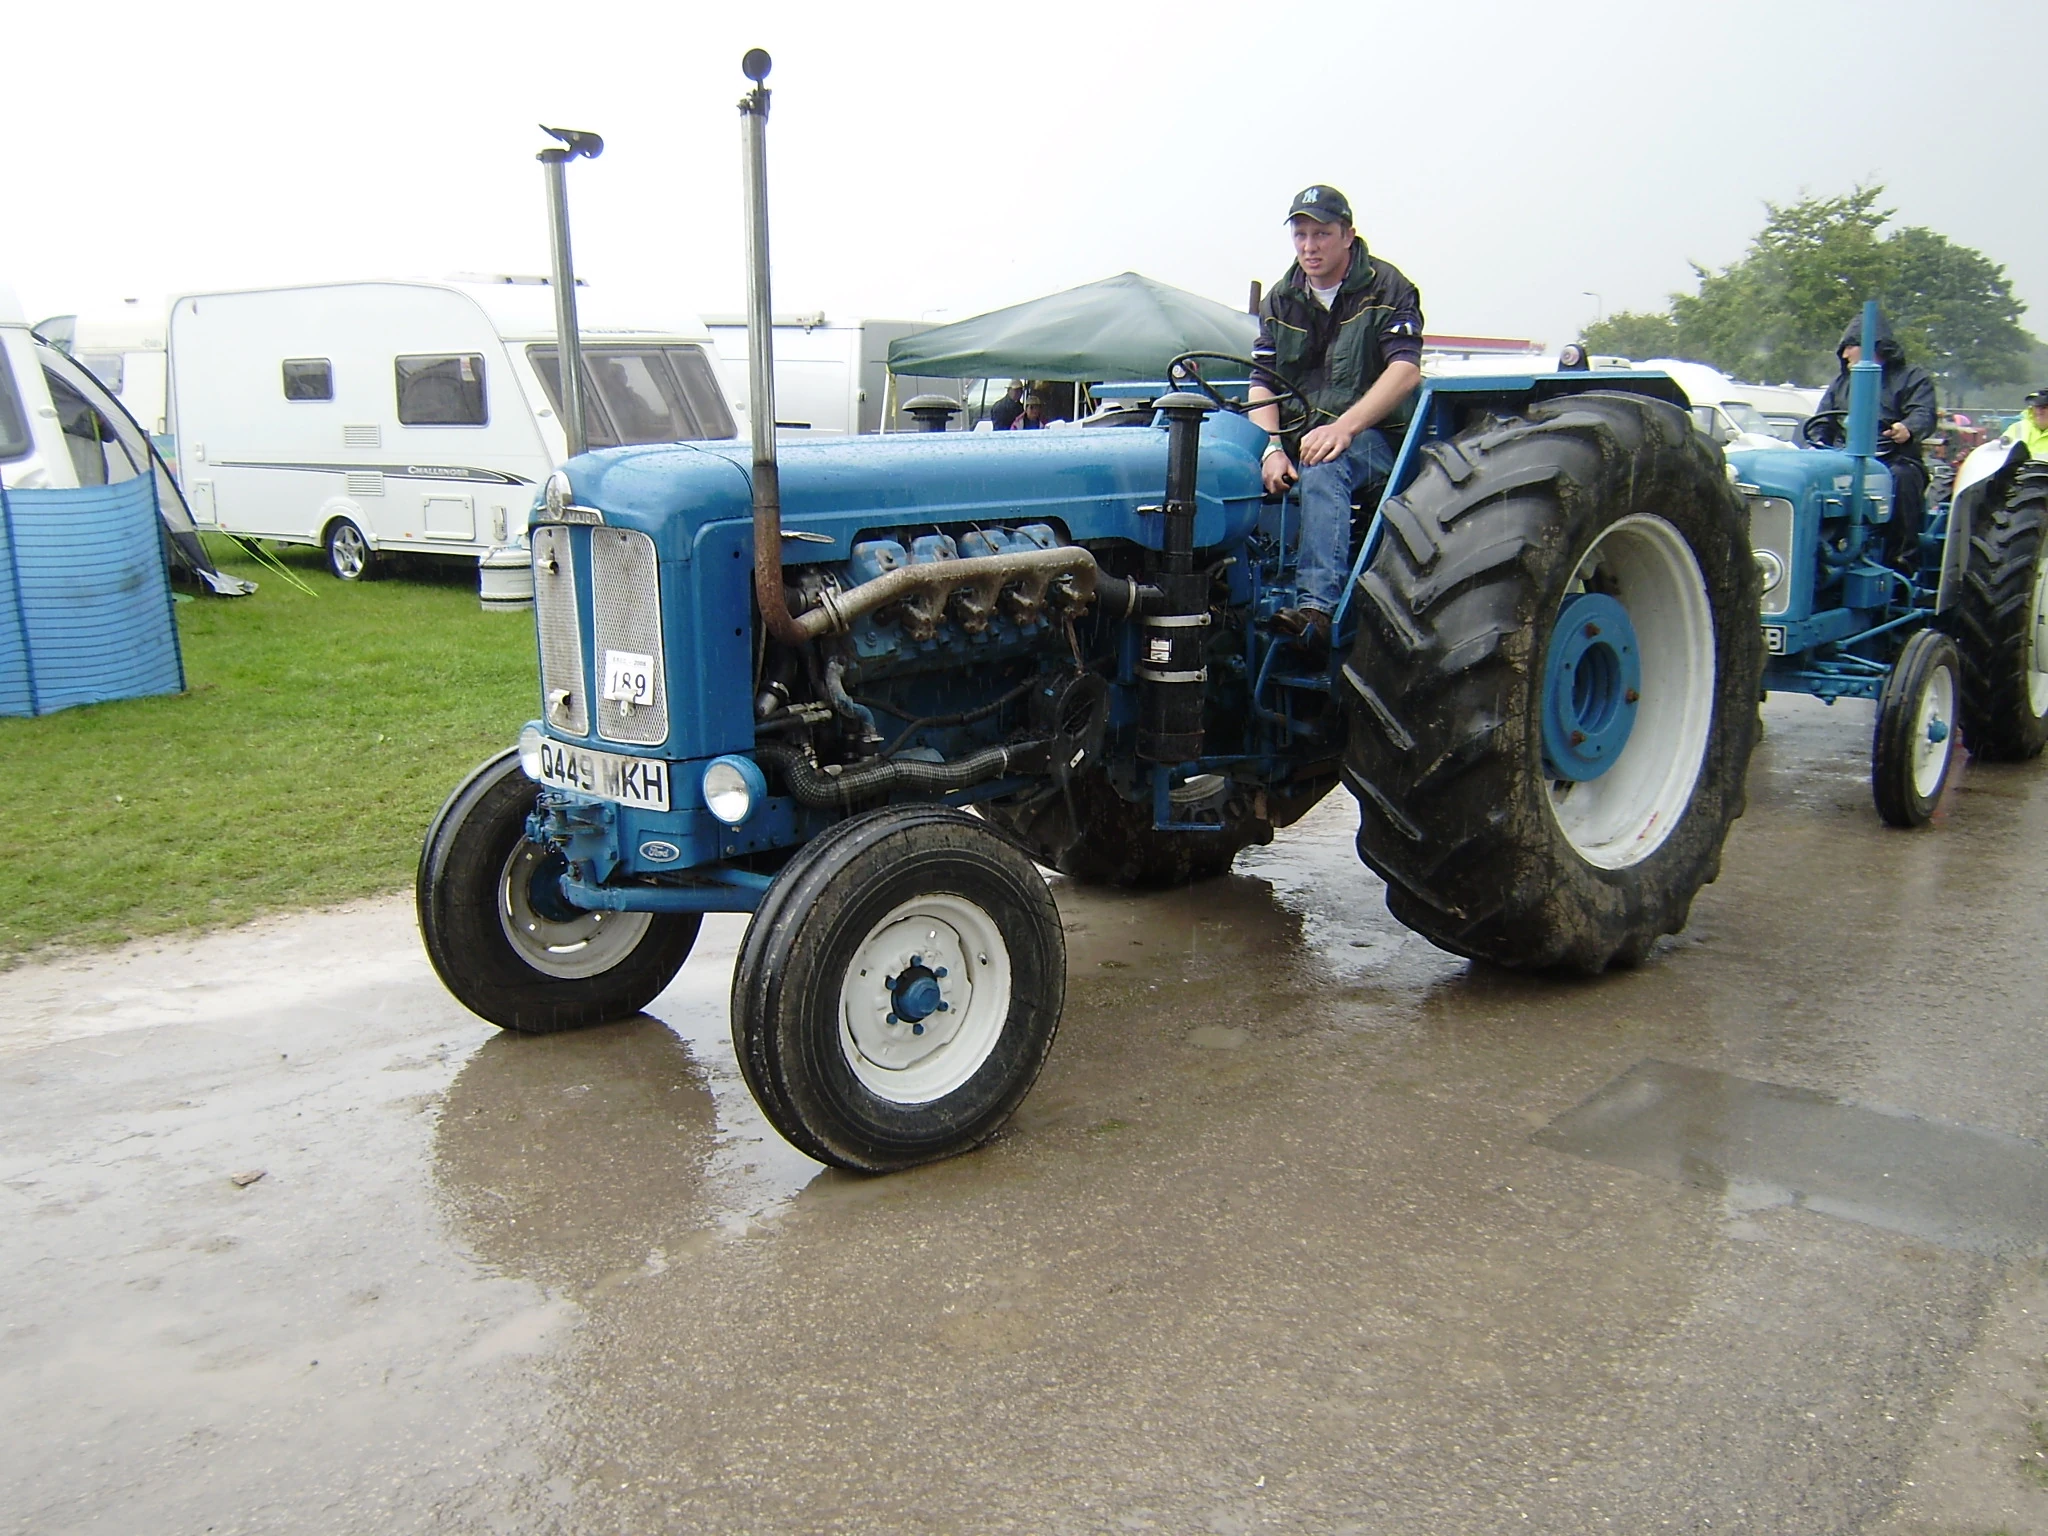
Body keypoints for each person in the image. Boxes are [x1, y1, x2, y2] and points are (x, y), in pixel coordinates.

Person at [1249, 184, 1424, 655]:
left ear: (1347, 235)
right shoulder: (1281, 298)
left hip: (1373, 437)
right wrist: (1268, 449)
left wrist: (1343, 428)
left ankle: (1315, 611)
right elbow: (1261, 382)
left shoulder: (1388, 287)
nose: (1309, 246)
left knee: (1326, 462)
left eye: (1321, 234)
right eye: (1300, 234)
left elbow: (1405, 371)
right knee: (1222, 461)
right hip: (1294, 435)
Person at [1812, 310, 1937, 569]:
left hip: (1893, 458)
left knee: (1903, 479)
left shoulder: (1913, 378)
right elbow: (1822, 421)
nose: (1844, 354)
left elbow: (1923, 413)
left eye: (1849, 346)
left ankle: (1901, 559)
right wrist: (1815, 443)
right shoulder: (1841, 384)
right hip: (1842, 458)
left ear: (1874, 348)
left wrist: (1907, 428)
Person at [2000, 387, 2048, 458]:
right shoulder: (2018, 427)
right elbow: (1999, 453)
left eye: (2044, 407)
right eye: (2036, 407)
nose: (2038, 411)